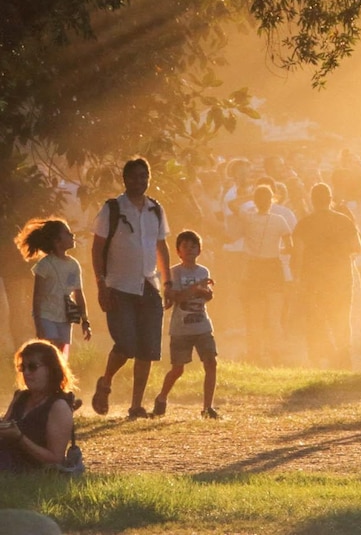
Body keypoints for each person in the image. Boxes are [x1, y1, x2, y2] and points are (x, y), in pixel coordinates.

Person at [91, 157, 171, 420]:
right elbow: (98, 248)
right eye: (134, 176)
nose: (140, 181)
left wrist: (167, 282)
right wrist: (101, 284)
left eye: (144, 176)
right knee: (125, 344)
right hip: (119, 286)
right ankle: (105, 382)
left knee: (147, 348)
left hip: (149, 284)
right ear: (125, 179)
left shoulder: (155, 209)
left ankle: (136, 405)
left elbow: (161, 247)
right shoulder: (113, 209)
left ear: (149, 178)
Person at [292, 183, 361, 369]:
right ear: (330, 198)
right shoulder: (344, 220)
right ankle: (343, 354)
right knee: (341, 314)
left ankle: (317, 354)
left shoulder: (304, 223)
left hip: (313, 277)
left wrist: (297, 279)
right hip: (341, 275)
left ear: (312, 200)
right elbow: (356, 247)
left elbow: (297, 253)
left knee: (315, 314)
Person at [152, 230, 220, 419]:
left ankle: (208, 407)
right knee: (178, 368)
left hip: (202, 325)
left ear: (199, 250)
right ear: (178, 251)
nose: (190, 249)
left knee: (211, 362)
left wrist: (206, 293)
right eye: (185, 246)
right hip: (181, 328)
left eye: (194, 246)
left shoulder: (203, 271)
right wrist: (194, 288)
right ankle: (162, 397)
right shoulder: (174, 272)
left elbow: (207, 296)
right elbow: (176, 298)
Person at [14, 218, 92, 358]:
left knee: (61, 355)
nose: (72, 235)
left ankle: (57, 379)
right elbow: (37, 297)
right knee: (50, 353)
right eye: (67, 233)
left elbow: (78, 294)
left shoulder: (74, 265)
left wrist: (85, 321)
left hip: (65, 318)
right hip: (46, 317)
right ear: (57, 241)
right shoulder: (44, 266)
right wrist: (38, 324)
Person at [234, 184, 292, 362]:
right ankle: (277, 353)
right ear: (272, 200)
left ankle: (254, 352)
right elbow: (290, 247)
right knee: (274, 315)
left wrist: (249, 197)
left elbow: (232, 205)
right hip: (273, 267)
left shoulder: (248, 218)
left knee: (255, 315)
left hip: (254, 268)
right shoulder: (280, 220)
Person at [0, 340, 76, 471]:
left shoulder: (58, 406)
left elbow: (56, 459)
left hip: (25, 469)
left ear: (50, 369)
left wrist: (20, 438)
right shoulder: (21, 397)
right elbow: (5, 426)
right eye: (23, 368)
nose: (26, 373)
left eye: (33, 367)